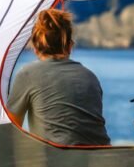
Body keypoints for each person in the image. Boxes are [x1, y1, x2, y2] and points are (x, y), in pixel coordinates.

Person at [7, 8, 110, 146]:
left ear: (35, 47)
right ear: (70, 45)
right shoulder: (90, 76)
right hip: (102, 158)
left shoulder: (28, 74)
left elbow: (12, 128)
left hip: (56, 161)